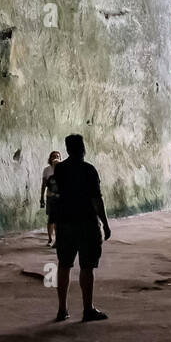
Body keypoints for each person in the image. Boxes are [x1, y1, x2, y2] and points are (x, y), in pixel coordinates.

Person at [50, 134, 111, 322]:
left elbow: (55, 195)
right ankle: (87, 308)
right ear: (83, 148)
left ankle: (62, 309)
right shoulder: (88, 170)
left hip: (65, 223)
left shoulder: (60, 170)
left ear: (67, 149)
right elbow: (96, 200)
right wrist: (105, 224)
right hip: (86, 223)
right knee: (87, 267)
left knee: (64, 265)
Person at [40, 149, 61, 247]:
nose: (56, 157)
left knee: (58, 220)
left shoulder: (63, 169)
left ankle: (58, 240)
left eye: (57, 156)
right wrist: (42, 198)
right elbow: (44, 184)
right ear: (50, 158)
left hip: (60, 198)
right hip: (50, 198)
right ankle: (50, 238)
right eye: (54, 156)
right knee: (51, 219)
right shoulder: (47, 170)